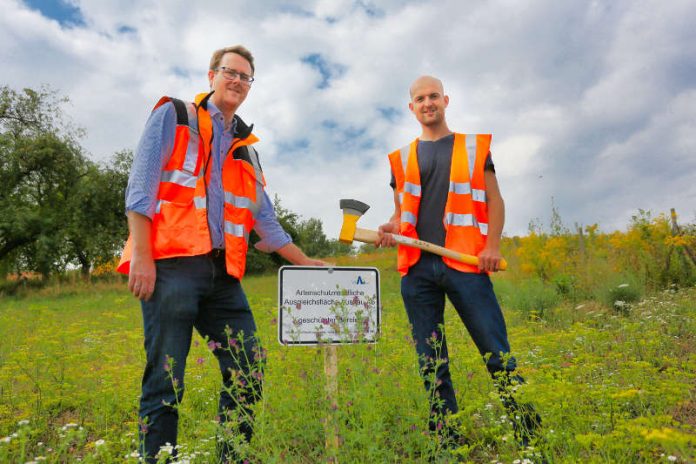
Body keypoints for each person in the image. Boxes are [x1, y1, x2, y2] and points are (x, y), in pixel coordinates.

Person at [117, 45, 326, 463]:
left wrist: (307, 263)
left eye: (246, 77)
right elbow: (140, 186)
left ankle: (233, 457)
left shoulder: (247, 150)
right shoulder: (175, 116)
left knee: (249, 368)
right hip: (170, 267)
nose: (238, 81)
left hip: (223, 275)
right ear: (211, 75)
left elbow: (265, 222)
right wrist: (140, 254)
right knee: (166, 380)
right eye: (230, 72)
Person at [377, 76, 540, 447]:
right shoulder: (401, 158)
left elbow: (495, 200)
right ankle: (448, 442)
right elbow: (401, 211)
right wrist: (389, 226)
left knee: (496, 353)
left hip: (466, 264)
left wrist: (493, 246)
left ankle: (530, 434)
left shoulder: (471, 147)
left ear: (446, 100)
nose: (427, 103)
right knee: (431, 362)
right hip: (417, 270)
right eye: (420, 98)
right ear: (411, 107)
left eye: (433, 96)